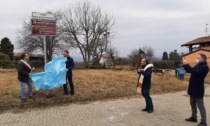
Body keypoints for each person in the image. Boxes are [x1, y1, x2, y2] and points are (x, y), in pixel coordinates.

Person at [183, 54, 209, 126]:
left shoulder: (204, 67)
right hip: (192, 87)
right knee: (192, 103)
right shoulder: (198, 65)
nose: (196, 59)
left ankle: (203, 121)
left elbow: (195, 72)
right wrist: (185, 65)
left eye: (198, 58)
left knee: (200, 105)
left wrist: (187, 64)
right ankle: (194, 117)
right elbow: (190, 70)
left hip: (198, 88)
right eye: (196, 58)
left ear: (203, 59)